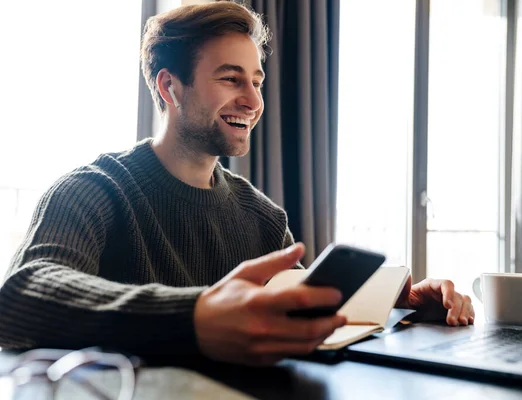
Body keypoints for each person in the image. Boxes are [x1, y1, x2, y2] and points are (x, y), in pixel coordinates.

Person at [0, 2, 473, 366]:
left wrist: (401, 304)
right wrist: (195, 316)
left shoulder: (263, 218)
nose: (251, 100)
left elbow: (296, 310)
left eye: (257, 81)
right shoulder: (93, 190)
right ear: (169, 87)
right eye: (231, 79)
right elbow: (20, 298)